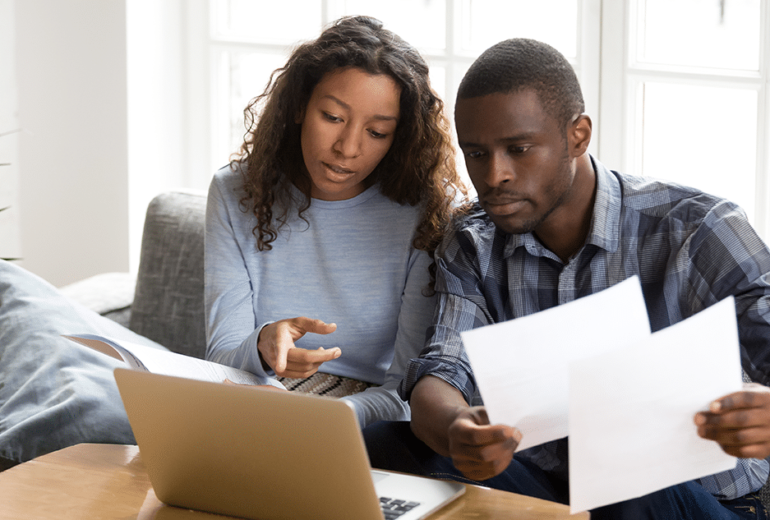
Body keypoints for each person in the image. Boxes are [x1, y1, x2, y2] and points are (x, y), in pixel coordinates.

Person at [363, 38, 770, 518]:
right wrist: (457, 430)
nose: (494, 175)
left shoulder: (698, 229)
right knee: (378, 446)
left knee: (626, 476)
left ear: (577, 136)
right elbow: (444, 366)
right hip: (551, 489)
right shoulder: (473, 241)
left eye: (518, 149)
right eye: (476, 153)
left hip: (700, 499)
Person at [204, 16, 465, 428]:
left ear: (400, 138)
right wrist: (262, 343)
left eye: (377, 132)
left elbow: (408, 390)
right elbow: (221, 359)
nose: (348, 148)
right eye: (332, 117)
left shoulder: (428, 210)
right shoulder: (235, 191)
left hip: (370, 418)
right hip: (257, 397)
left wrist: (329, 419)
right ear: (298, 108)